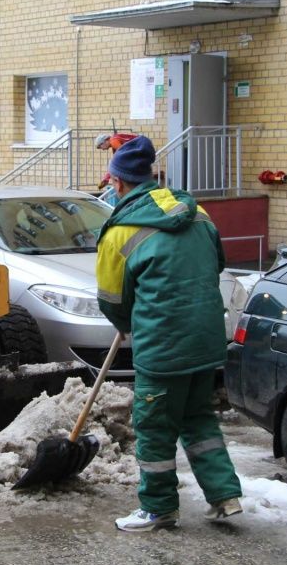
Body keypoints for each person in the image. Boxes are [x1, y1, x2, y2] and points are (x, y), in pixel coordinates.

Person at [95, 135, 242, 532]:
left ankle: (158, 508)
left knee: (155, 426)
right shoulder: (200, 214)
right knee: (198, 418)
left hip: (162, 346)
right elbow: (216, 264)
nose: (109, 188)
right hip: (207, 340)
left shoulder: (119, 233)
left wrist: (127, 323)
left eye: (111, 183)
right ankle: (225, 495)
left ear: (120, 183)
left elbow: (111, 299)